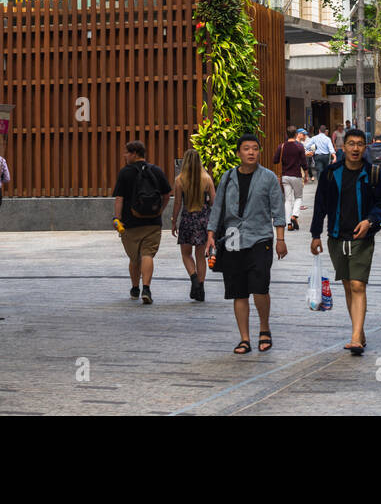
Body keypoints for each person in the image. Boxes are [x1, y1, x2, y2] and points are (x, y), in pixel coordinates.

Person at [311, 129, 381, 355]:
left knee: (358, 284)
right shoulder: (330, 173)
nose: (355, 148)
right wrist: (315, 234)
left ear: (365, 147)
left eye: (359, 144)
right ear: (343, 147)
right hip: (336, 238)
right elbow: (320, 205)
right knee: (348, 285)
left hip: (362, 238)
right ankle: (359, 330)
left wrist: (370, 221)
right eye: (351, 144)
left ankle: (355, 337)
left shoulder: (373, 173)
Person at [205, 135, 287, 353]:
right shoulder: (228, 177)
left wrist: (280, 239)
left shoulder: (268, 177)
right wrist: (211, 234)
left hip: (260, 238)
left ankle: (264, 329)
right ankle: (244, 338)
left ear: (259, 152)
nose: (251, 152)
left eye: (254, 149)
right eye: (246, 149)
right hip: (232, 237)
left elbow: (278, 210)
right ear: (239, 153)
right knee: (238, 291)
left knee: (260, 287)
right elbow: (218, 208)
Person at [112, 140, 171, 304]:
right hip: (153, 222)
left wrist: (117, 219)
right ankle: (146, 288)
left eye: (126, 153)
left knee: (134, 258)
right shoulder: (156, 171)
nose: (124, 156)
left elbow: (119, 198)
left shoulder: (125, 173)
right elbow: (167, 194)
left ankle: (135, 287)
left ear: (134, 154)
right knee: (148, 254)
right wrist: (160, 210)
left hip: (131, 223)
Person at [170, 148, 214, 301]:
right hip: (203, 220)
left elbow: (177, 203)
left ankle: (194, 279)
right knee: (200, 255)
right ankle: (200, 288)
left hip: (188, 218)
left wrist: (174, 221)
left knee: (186, 254)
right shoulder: (207, 178)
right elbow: (214, 201)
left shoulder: (180, 179)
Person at [272, 126, 307, 231]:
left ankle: (288, 224)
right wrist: (306, 174)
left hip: (285, 176)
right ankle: (294, 215)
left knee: (287, 200)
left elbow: (275, 160)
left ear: (287, 135)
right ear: (296, 134)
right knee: (298, 197)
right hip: (296, 175)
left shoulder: (282, 146)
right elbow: (304, 163)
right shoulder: (299, 146)